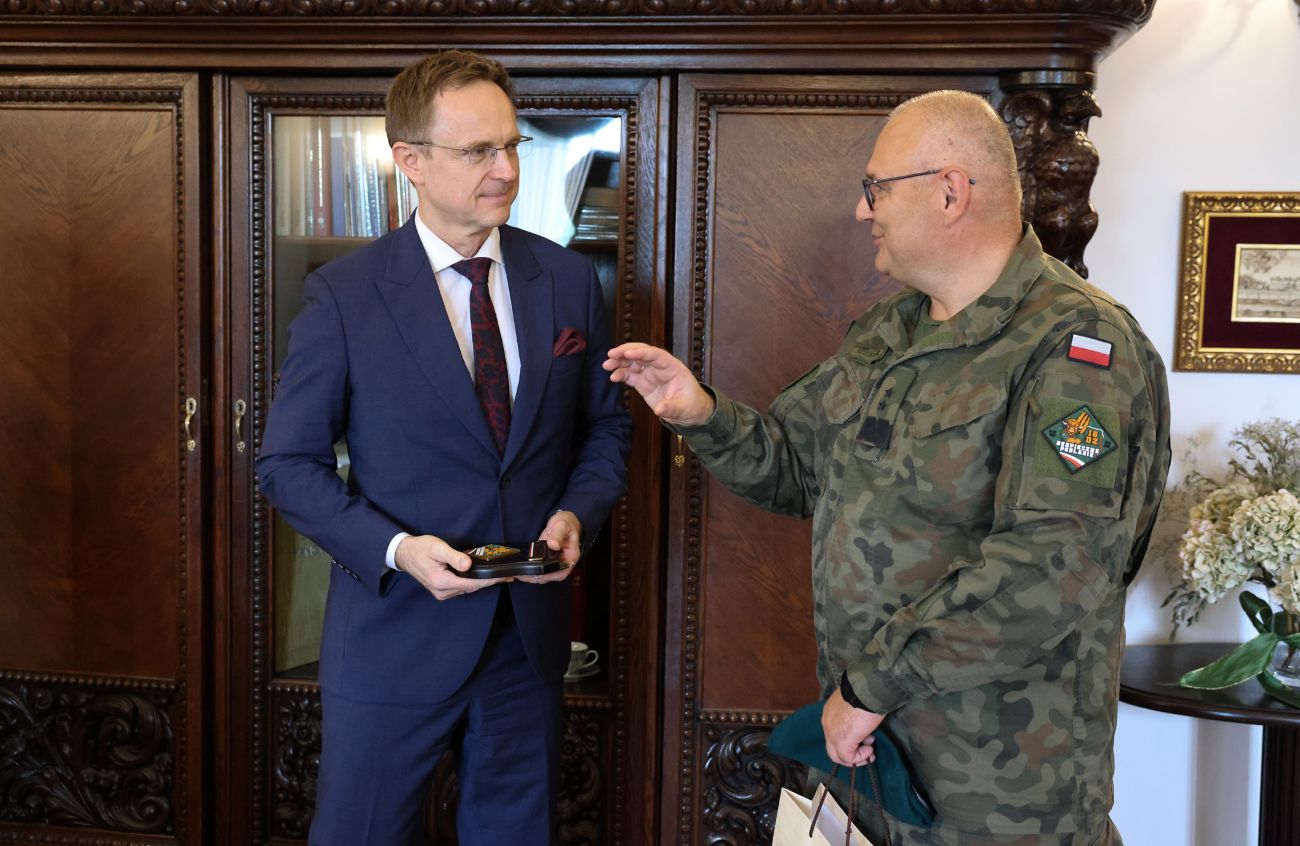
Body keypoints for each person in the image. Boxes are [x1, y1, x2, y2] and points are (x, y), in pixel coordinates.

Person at [605, 90, 1170, 846]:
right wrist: (699, 411)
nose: (861, 209)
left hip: (996, 791)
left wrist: (871, 686)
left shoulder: (1079, 346)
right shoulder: (887, 331)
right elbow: (795, 468)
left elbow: (1053, 565)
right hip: (869, 764)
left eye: (875, 188)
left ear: (950, 192)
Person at [257, 49, 631, 846]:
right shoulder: (344, 295)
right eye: (477, 151)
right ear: (411, 161)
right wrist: (397, 551)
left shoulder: (567, 280)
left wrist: (577, 513)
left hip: (527, 643)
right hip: (393, 635)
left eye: (511, 146)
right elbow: (286, 465)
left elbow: (605, 428)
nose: (505, 170)